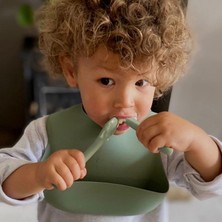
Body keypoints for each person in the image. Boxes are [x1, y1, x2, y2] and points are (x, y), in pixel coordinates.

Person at [1, 0, 222, 221]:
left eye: (141, 82)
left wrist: (196, 141)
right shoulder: (47, 132)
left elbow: (211, 185)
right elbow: (5, 182)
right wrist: (38, 174)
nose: (125, 102)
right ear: (71, 71)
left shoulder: (160, 139)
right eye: (106, 81)